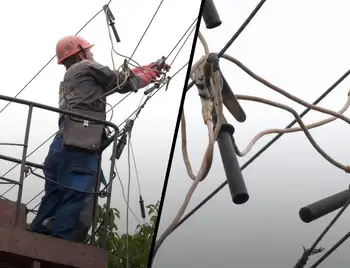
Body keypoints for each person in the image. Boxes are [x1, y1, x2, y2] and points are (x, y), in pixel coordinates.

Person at [30, 35, 170, 242]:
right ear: (80, 53)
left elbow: (114, 80)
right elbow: (123, 83)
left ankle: (38, 233)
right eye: (89, 50)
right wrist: (149, 75)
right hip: (79, 147)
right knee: (77, 198)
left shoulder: (71, 78)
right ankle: (59, 247)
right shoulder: (87, 67)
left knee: (54, 196)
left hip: (60, 148)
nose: (92, 53)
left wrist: (145, 67)